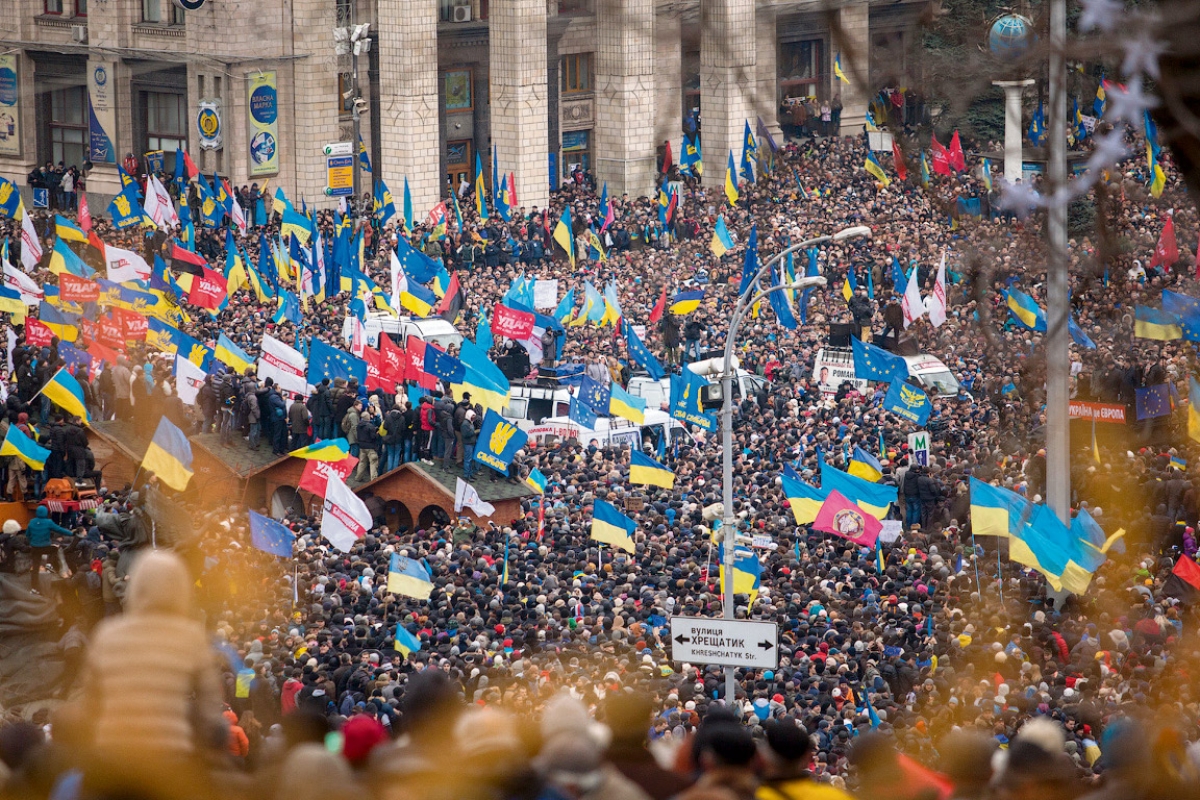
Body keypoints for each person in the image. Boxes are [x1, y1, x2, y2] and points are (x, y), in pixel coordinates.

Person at [26, 505, 72, 595]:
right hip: (45, 547)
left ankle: (34, 589)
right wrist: (71, 533)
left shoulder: (32, 522)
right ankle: (49, 563)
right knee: (56, 548)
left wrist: (32, 541)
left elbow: (27, 535)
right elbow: (59, 529)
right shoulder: (48, 522)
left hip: (35, 548)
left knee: (35, 569)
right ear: (46, 513)